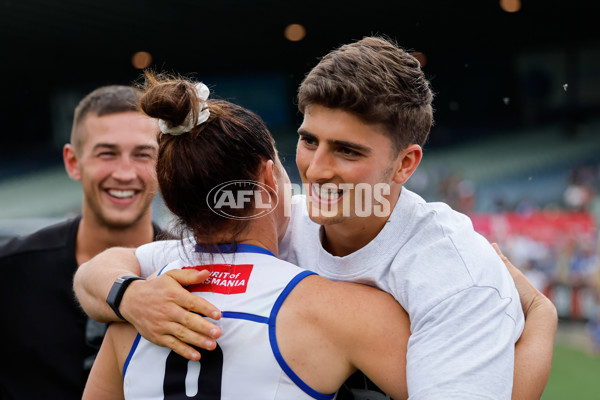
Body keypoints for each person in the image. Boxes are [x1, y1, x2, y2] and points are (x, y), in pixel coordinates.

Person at [74, 38, 558, 399]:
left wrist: (541, 316)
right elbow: (100, 270)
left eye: (347, 150)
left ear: (406, 164)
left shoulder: (454, 271)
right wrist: (131, 296)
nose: (318, 169)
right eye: (309, 141)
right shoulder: (283, 218)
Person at [0, 85, 164, 399]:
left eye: (143, 154)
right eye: (107, 153)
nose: (125, 173)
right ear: (73, 162)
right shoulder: (8, 272)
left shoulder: (193, 272)